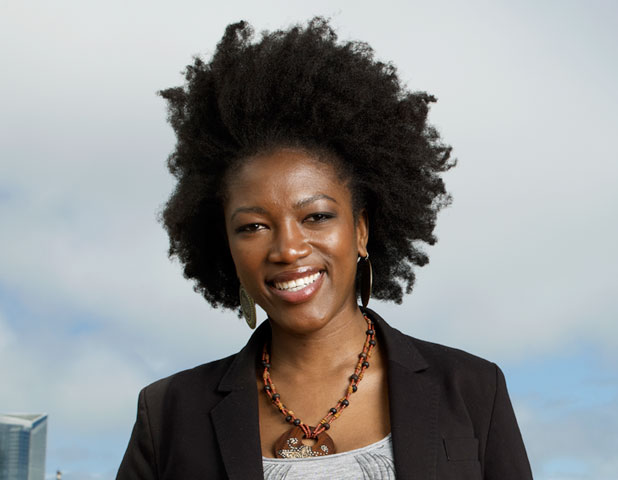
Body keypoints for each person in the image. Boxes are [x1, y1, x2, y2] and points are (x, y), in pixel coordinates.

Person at [117, 18, 533, 479]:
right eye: (253, 226)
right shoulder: (168, 415)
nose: (288, 249)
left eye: (316, 217)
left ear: (361, 230)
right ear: (227, 247)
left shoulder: (473, 390)